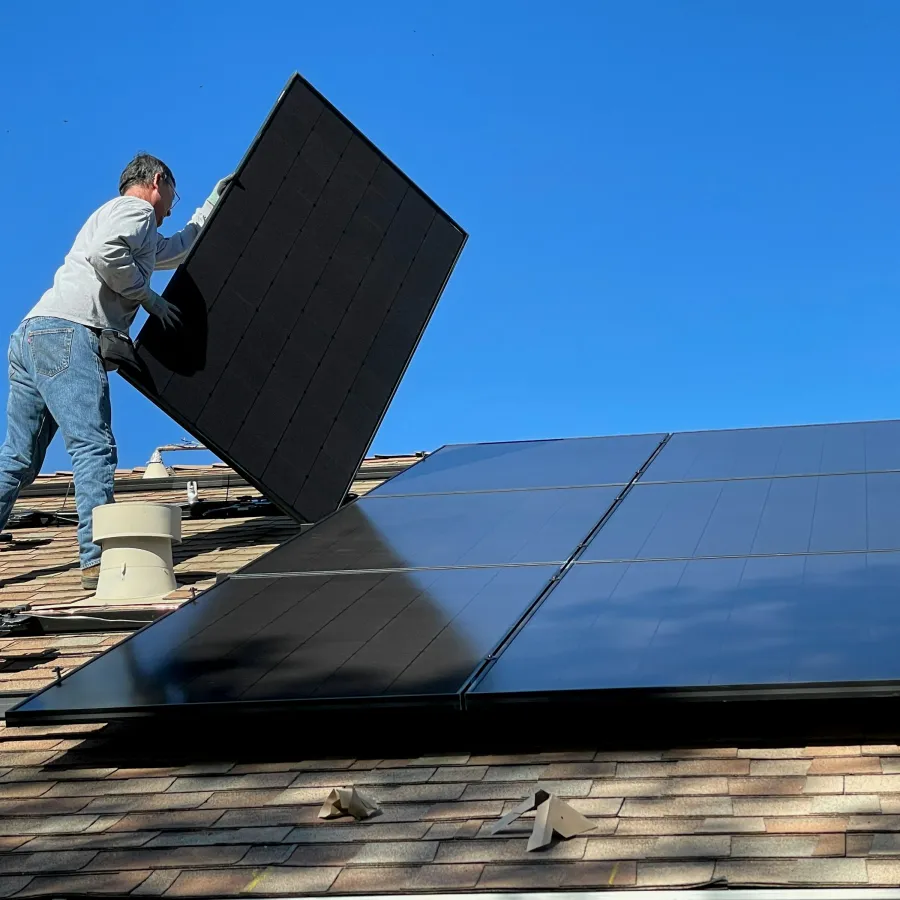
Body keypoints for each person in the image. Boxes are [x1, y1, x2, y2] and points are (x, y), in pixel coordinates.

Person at [0, 154, 230, 591]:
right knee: (94, 447)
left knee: (18, 459)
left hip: (33, 335)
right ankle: (96, 561)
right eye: (172, 199)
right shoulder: (135, 210)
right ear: (157, 181)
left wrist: (211, 206)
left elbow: (178, 248)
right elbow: (109, 255)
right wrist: (147, 298)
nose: (168, 211)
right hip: (71, 333)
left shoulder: (130, 224)